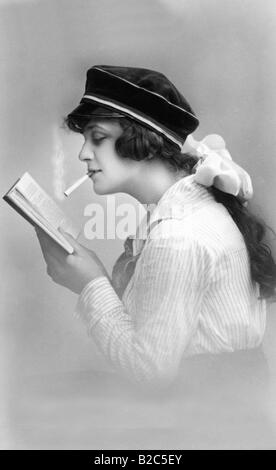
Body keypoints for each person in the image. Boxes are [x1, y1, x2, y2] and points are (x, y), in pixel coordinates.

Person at [35, 65, 276, 390]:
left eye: (98, 138)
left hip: (208, 423)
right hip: (214, 409)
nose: (83, 153)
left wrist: (91, 283)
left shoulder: (176, 235)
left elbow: (148, 373)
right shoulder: (184, 211)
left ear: (141, 142)